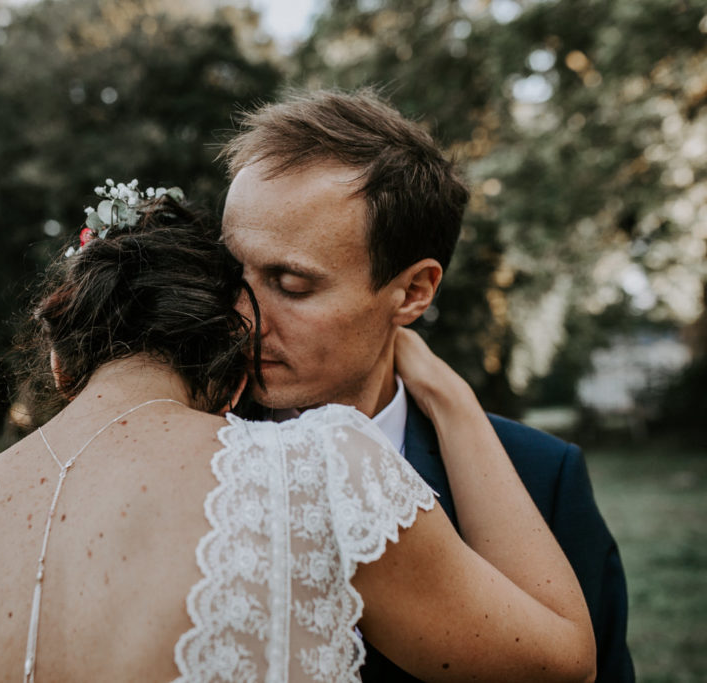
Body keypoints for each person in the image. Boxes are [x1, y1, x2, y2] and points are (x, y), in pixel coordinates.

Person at [0, 182, 595, 682]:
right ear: (236, 363)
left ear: (58, 354)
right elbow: (565, 657)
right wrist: (449, 394)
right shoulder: (316, 466)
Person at [219, 88, 633, 682]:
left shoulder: (543, 476)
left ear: (413, 292)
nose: (243, 314)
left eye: (291, 283)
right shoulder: (186, 448)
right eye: (234, 271)